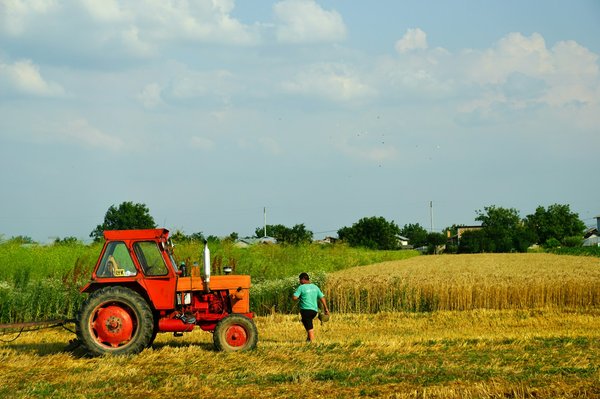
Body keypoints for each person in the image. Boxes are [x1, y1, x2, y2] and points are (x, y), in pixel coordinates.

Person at [292, 272, 329, 342]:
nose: (299, 281)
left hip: (306, 310)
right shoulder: (315, 287)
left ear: (303, 279)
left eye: (300, 280)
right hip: (315, 311)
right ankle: (308, 339)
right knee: (305, 321)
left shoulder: (301, 287)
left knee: (309, 325)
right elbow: (322, 297)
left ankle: (312, 342)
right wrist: (326, 308)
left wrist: (298, 296)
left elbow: (294, 298)